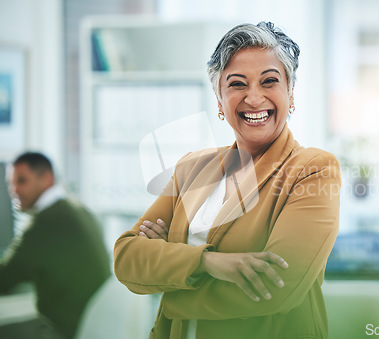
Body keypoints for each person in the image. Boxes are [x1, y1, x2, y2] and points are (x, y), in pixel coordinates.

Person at [114, 22, 341, 339]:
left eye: (269, 81)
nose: (254, 97)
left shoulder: (312, 169)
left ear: (290, 94)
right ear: (220, 101)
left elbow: (276, 287)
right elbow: (126, 258)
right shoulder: (191, 168)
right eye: (237, 84)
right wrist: (208, 263)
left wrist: (169, 280)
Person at [0, 152, 111, 339]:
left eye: (22, 181)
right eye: (11, 183)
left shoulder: (47, 221)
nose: (14, 190)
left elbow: (4, 279)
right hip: (88, 323)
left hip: (63, 330)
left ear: (46, 179)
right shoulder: (76, 209)